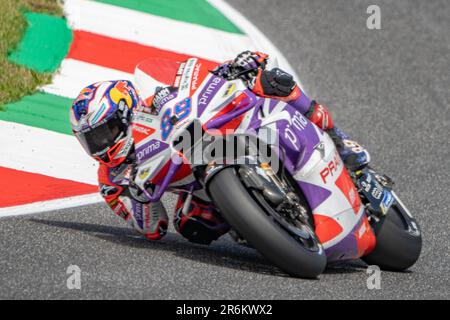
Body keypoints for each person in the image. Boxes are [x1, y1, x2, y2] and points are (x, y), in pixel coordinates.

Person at [69, 51, 370, 245]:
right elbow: (153, 228)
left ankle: (338, 139)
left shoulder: (151, 101)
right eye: (92, 140)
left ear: (125, 114)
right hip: (199, 186)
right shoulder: (111, 181)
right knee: (193, 228)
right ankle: (265, 229)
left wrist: (231, 68)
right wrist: (137, 198)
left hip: (218, 131)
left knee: (269, 80)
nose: (101, 145)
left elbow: (191, 76)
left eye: (104, 132)